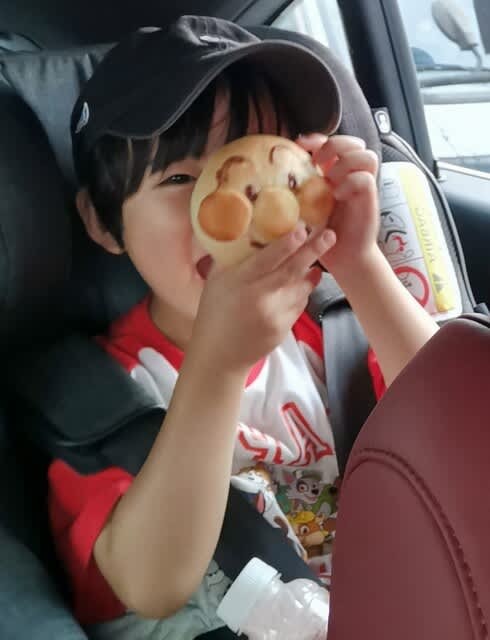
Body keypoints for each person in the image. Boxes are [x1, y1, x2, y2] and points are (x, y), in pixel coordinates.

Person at [47, 15, 439, 639]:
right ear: (101, 220)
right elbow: (150, 585)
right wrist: (218, 363)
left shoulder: (328, 331)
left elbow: (458, 426)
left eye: (270, 165)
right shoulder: (101, 400)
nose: (240, 203)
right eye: (181, 178)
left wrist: (360, 265)